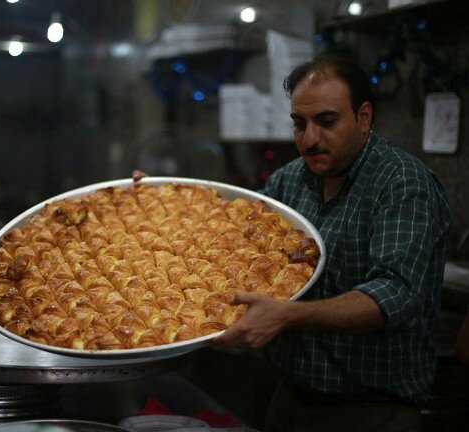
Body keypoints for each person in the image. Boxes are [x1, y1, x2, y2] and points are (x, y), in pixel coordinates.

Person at [136, 51, 451, 431]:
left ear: (364, 117)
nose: (310, 138)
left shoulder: (402, 183)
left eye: (326, 121)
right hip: (289, 402)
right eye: (299, 123)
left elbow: (394, 294)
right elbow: (226, 232)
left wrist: (287, 316)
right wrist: (160, 198)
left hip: (371, 413)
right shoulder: (290, 180)